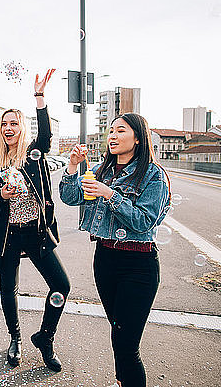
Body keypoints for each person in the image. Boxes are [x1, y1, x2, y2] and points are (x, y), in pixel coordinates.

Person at [59, 113, 170, 387]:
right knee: (118, 333)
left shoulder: (153, 175)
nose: (113, 136)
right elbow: (70, 198)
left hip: (139, 264)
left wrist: (109, 194)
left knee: (127, 345)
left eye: (121, 130)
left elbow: (144, 221)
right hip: (106, 259)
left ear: (138, 138)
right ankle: (123, 381)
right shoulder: (101, 170)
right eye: (111, 131)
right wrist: (72, 168)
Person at [0, 71, 70, 371]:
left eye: (13, 123)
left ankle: (45, 337)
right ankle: (16, 338)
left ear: (21, 127)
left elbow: (46, 134)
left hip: (36, 233)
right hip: (8, 236)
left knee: (61, 284)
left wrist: (39, 98)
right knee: (8, 290)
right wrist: (2, 194)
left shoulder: (34, 153)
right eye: (4, 124)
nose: (8, 128)